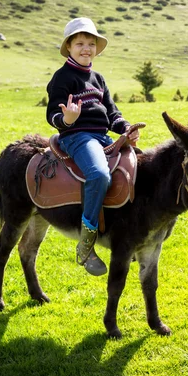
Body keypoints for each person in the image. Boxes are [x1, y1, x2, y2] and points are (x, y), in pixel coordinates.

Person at [46, 17, 140, 276]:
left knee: (140, 167)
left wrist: (126, 129)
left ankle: (127, 233)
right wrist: (67, 119)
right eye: (79, 43)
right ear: (69, 46)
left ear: (97, 48)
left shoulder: (98, 78)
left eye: (90, 43)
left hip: (102, 137)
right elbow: (53, 114)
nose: (86, 48)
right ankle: (86, 245)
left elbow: (112, 113)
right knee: (99, 175)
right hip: (77, 136)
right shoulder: (62, 77)